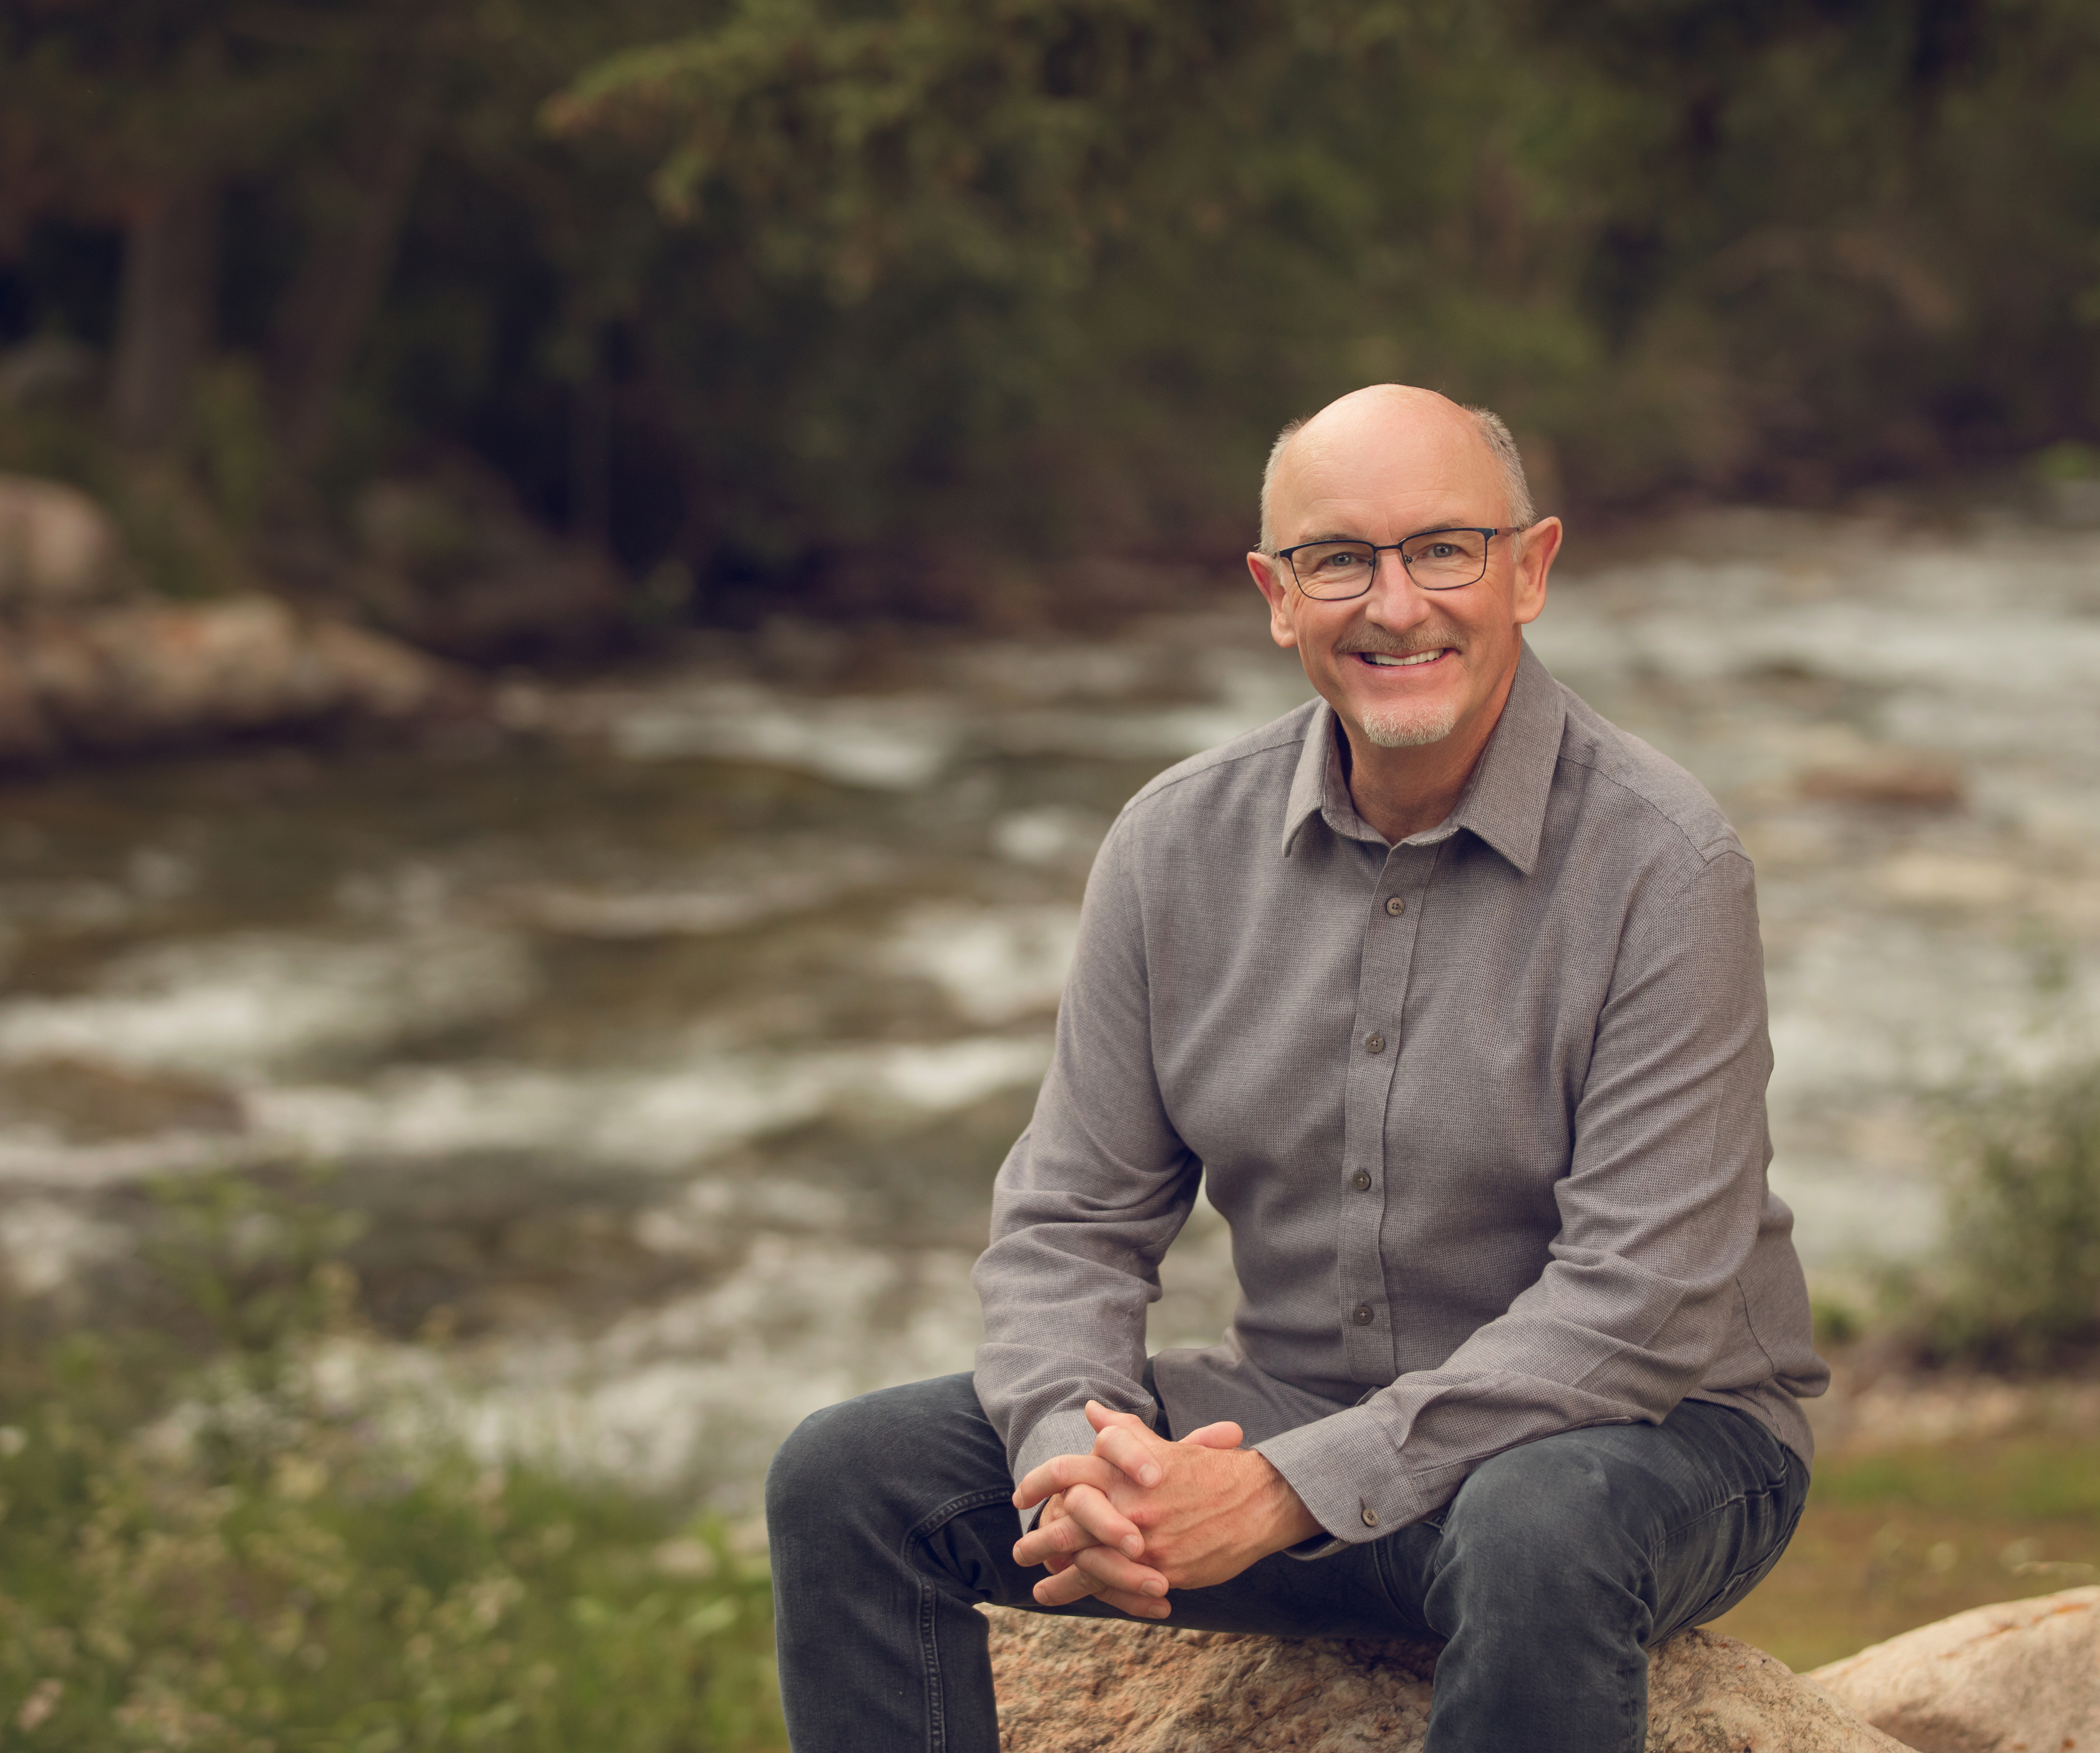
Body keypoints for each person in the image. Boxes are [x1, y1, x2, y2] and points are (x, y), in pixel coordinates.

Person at [765, 383, 1828, 1753]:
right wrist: (1074, 1462)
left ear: (1530, 569)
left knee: (1536, 1528)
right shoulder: (1170, 849)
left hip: (1655, 1440)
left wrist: (1281, 1494)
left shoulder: (1666, 867)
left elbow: (1639, 1306)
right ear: (1277, 595)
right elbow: (1071, 1221)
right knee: (849, 1477)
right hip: (1294, 1412)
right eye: (1341, 560)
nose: (1396, 606)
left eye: (1444, 549)